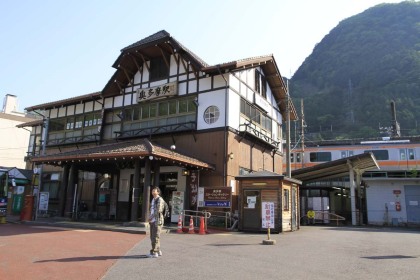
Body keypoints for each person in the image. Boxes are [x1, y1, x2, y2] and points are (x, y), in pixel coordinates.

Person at [147, 186, 168, 258]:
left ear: (158, 192)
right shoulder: (153, 199)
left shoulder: (160, 199)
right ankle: (158, 251)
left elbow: (158, 210)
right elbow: (152, 209)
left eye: (154, 191)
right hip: (153, 220)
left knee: (155, 236)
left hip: (157, 220)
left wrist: (151, 217)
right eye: (152, 191)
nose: (152, 192)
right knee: (154, 236)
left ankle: (154, 252)